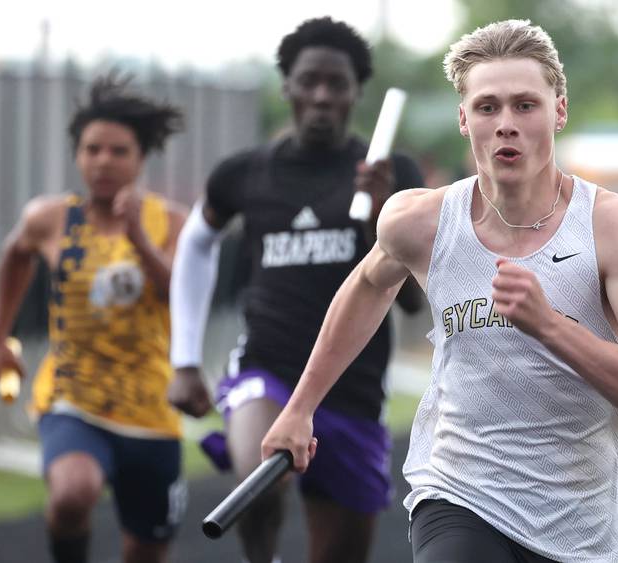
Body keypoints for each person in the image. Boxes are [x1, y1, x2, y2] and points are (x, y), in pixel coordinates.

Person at [262, 19, 618, 563]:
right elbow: (366, 288)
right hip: (459, 492)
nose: (505, 124)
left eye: (525, 105)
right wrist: (301, 408)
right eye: (488, 107)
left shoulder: (612, 226)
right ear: (465, 119)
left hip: (577, 522)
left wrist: (549, 325)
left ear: (559, 110)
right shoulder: (421, 221)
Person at [167, 16, 425, 563]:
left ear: (358, 91)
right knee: (261, 471)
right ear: (286, 86)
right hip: (268, 367)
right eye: (309, 81)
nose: (322, 96)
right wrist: (185, 360)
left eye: (338, 84)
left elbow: (411, 301)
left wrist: (382, 213)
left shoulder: (391, 173)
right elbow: (195, 243)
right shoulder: (246, 173)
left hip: (354, 386)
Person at [0, 75, 188, 563]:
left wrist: (138, 236)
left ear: (140, 159)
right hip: (72, 396)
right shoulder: (50, 219)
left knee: (146, 550)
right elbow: (14, 256)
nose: (104, 162)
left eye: (119, 151)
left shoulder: (174, 222)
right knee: (73, 492)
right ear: (77, 154)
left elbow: (182, 293)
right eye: (92, 149)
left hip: (151, 409)